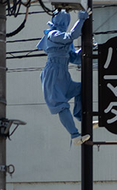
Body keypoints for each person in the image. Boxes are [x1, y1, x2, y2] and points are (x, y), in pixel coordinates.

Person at [38, 10, 87, 143]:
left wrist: (88, 49)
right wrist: (81, 20)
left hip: (63, 73)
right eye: (63, 20)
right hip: (53, 73)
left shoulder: (63, 37)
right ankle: (74, 135)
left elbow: (74, 58)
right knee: (61, 104)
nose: (64, 22)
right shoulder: (53, 34)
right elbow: (73, 35)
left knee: (82, 88)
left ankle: (82, 118)